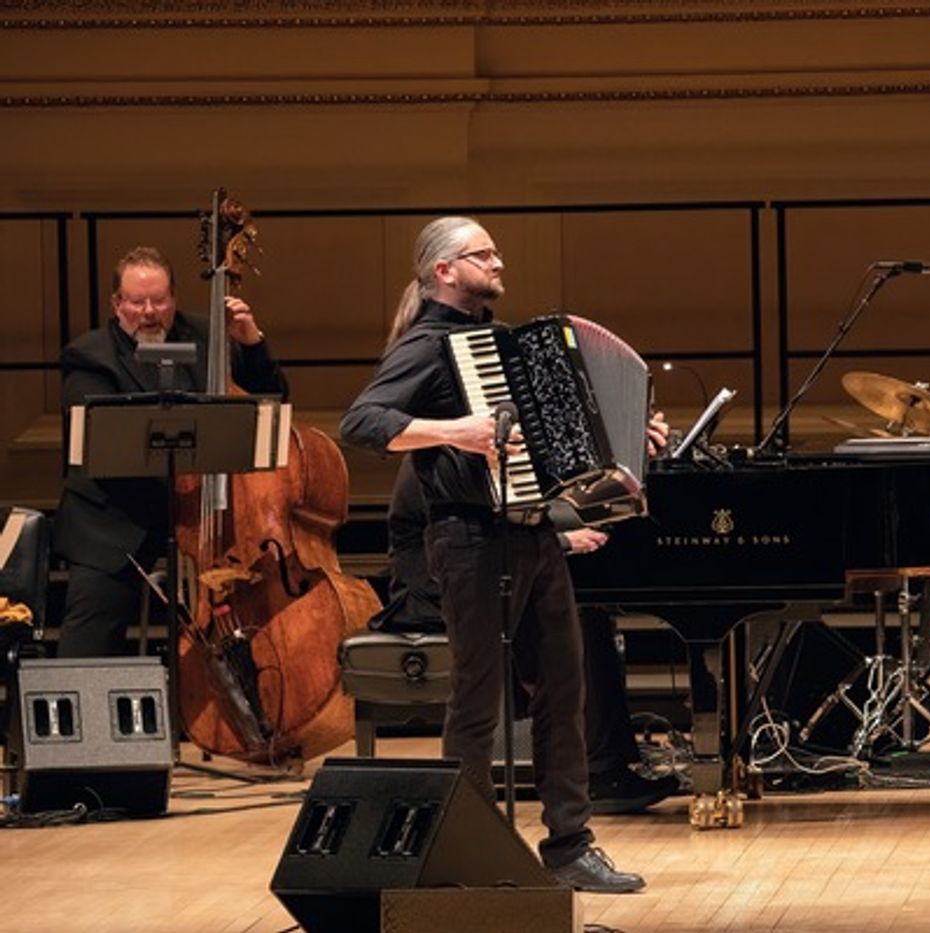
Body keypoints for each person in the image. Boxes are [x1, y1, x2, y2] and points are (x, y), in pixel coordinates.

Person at [340, 216, 645, 894]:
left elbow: (552, 454)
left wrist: (623, 448)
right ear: (444, 270)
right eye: (483, 253)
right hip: (468, 540)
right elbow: (362, 421)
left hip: (534, 531)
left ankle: (569, 846)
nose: (498, 261)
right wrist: (457, 430)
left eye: (496, 251)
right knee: (476, 700)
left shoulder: (504, 347)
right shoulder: (426, 345)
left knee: (563, 690)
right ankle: (468, 851)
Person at [378, 456, 681, 814]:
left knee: (583, 621)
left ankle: (605, 767)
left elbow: (519, 518)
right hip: (429, 589)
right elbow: (474, 534)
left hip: (479, 569)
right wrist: (562, 542)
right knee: (580, 625)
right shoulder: (446, 454)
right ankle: (599, 768)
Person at [54, 247, 287, 658]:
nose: (149, 312)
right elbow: (96, 445)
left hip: (202, 521)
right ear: (116, 304)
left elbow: (271, 400)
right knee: (87, 643)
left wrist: (251, 342)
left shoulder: (209, 337)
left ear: (174, 299)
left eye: (159, 301)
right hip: (113, 524)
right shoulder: (89, 355)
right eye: (137, 302)